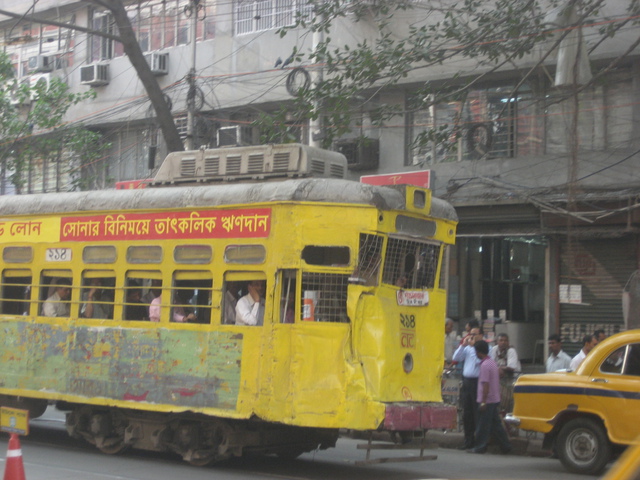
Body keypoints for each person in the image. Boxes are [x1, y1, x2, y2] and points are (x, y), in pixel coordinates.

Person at [468, 340, 512, 455]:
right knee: (496, 425)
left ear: (478, 352)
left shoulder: (485, 365)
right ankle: (506, 446)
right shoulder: (492, 363)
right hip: (494, 398)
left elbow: (485, 384)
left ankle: (480, 447)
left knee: (483, 425)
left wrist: (483, 402)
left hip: (488, 400)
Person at [452, 325, 483, 450]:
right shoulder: (468, 348)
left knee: (477, 413)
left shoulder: (485, 349)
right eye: (471, 334)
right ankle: (468, 441)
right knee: (467, 413)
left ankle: (478, 441)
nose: (472, 337)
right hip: (467, 382)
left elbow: (479, 362)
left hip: (478, 382)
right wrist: (463, 346)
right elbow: (456, 358)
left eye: (475, 334)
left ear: (481, 335)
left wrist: (473, 347)